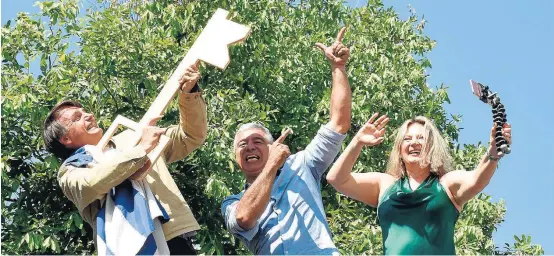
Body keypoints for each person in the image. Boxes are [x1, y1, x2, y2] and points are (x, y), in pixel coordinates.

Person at [42, 64, 207, 254]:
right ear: (66, 139)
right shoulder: (70, 171)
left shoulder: (132, 137)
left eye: (86, 111)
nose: (89, 115)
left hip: (172, 234)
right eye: (77, 117)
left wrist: (189, 93)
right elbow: (92, 182)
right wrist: (141, 150)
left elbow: (190, 136)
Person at [220, 27, 352, 255]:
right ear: (236, 157)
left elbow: (339, 123)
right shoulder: (233, 203)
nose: (250, 146)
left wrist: (338, 68)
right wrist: (272, 164)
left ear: (271, 146)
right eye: (243, 144)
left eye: (257, 141)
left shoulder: (303, 165)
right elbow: (244, 217)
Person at [326, 113, 512, 254]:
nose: (414, 143)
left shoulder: (446, 184)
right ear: (399, 149)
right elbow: (336, 178)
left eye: (421, 138)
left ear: (432, 146)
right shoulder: (385, 184)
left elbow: (477, 179)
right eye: (407, 139)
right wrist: (357, 141)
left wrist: (493, 152)